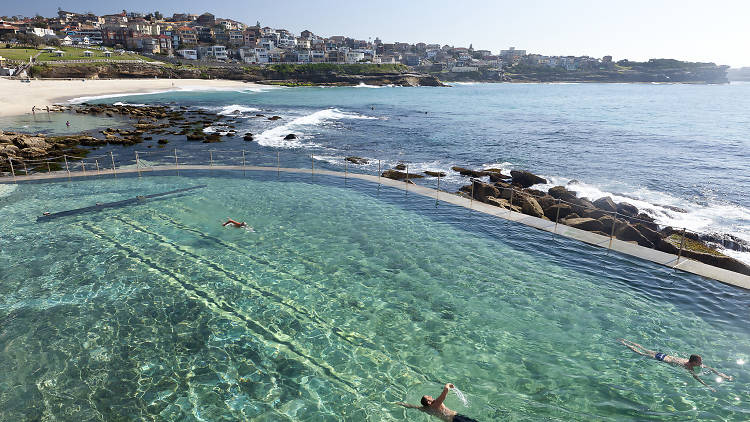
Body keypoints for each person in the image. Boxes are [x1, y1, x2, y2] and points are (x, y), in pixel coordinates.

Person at [618, 339, 732, 391]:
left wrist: (724, 376)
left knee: (644, 349)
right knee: (640, 352)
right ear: (693, 362)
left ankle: (626, 341)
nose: (701, 363)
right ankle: (625, 343)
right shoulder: (689, 367)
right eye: (699, 362)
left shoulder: (693, 364)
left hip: (664, 355)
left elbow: (712, 369)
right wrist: (708, 386)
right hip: (661, 358)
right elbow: (696, 378)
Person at [397, 383, 478, 422]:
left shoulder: (425, 409)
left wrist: (400, 403)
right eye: (429, 397)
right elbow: (445, 391)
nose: (431, 396)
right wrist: (448, 384)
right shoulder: (436, 404)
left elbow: (412, 406)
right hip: (457, 418)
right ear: (428, 402)